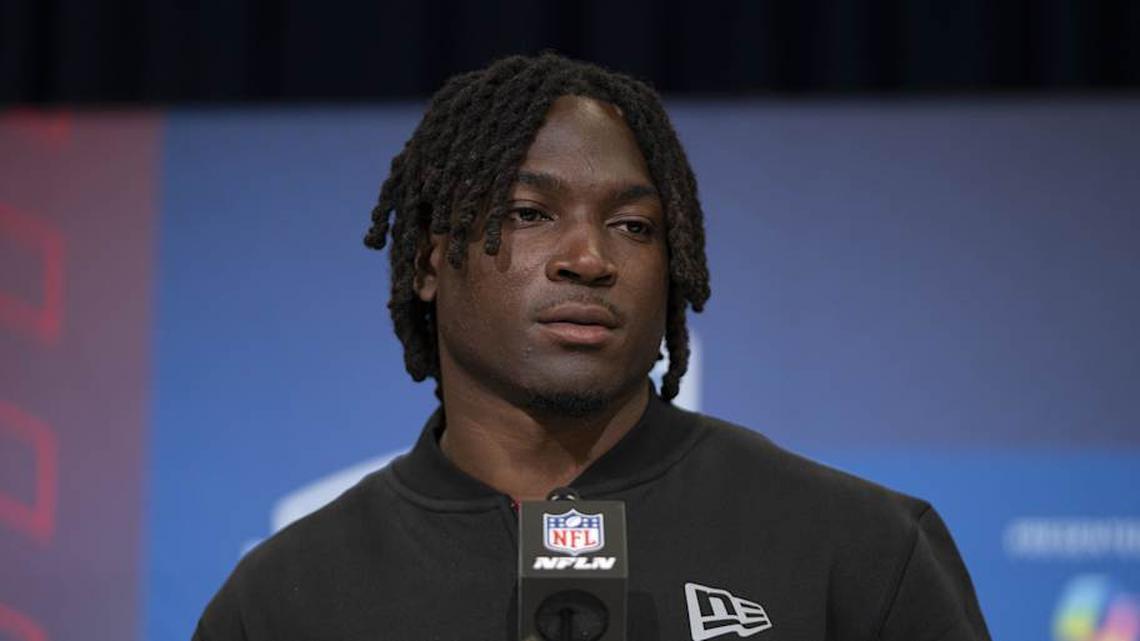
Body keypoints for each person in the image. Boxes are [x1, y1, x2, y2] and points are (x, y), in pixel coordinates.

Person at [193, 53, 991, 640]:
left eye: (634, 226)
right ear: (431, 260)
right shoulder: (284, 601)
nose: (589, 257)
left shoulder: (859, 550)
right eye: (531, 212)